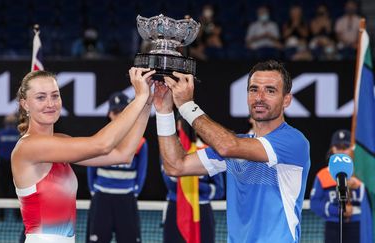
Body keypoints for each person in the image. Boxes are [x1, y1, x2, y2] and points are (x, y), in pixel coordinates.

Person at [152, 60, 310, 242]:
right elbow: (175, 166)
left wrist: (187, 106)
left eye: (270, 90)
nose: (260, 97)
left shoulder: (293, 141)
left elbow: (227, 146)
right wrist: (164, 111)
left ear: (286, 100)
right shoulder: (239, 145)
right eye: (254, 89)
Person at [11, 68, 155, 243]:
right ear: (25, 104)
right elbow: (102, 145)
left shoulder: (60, 142)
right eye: (41, 97)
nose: (50, 103)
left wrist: (147, 103)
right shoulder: (29, 146)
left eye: (55, 96)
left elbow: (123, 154)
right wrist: (138, 98)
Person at [86, 92, 148, 243]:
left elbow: (142, 170)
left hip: (126, 198)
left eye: (123, 112)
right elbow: (90, 167)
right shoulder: (100, 139)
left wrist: (135, 190)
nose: (119, 116)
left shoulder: (139, 142)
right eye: (115, 112)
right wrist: (94, 190)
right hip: (102, 197)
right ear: (109, 114)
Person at [161, 118, 224, 243]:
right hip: (176, 209)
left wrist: (188, 181)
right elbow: (170, 184)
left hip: (202, 211)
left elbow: (219, 191)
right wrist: (201, 185)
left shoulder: (209, 150)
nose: (188, 127)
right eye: (185, 123)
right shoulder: (169, 151)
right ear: (178, 125)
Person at [310, 129, 366, 243]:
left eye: (345, 147)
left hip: (358, 225)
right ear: (332, 149)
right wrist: (338, 210)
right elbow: (315, 203)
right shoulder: (323, 174)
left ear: (352, 148)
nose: (342, 151)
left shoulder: (363, 173)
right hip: (333, 225)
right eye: (338, 147)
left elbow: (371, 201)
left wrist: (359, 188)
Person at [0, 113, 20, 220]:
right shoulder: (18, 133)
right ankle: (9, 215)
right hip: (8, 165)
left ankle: (3, 215)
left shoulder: (0, 133)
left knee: (12, 190)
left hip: (13, 165)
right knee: (13, 190)